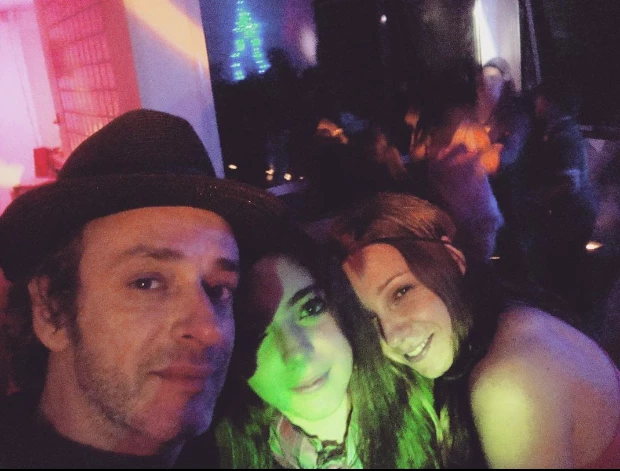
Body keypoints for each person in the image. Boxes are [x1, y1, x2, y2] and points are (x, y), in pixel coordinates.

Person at [0, 109, 288, 468]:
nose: (209, 330)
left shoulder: (258, 447)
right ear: (51, 311)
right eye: (146, 283)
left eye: (219, 289)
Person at [329, 192, 620, 468]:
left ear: (453, 258)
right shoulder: (511, 316)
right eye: (368, 320)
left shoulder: (507, 386)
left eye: (402, 292)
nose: (391, 336)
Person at [206, 231, 442, 468]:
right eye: (256, 333)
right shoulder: (226, 456)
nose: (297, 353)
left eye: (310, 308)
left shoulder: (441, 414)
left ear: (342, 308)